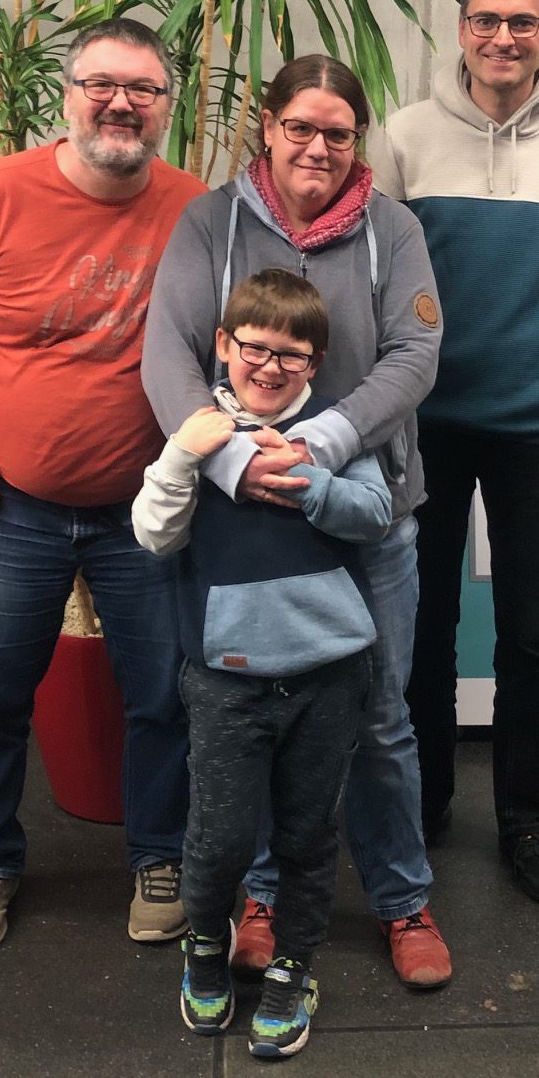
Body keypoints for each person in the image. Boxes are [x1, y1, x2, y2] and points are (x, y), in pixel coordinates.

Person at [141, 56, 452, 992]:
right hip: (245, 522)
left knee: (384, 718)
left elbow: (416, 352)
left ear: (359, 141)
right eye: (300, 127)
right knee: (262, 718)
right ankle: (266, 899)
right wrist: (234, 463)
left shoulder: (394, 230)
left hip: (369, 516)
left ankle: (403, 900)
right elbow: (169, 358)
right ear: (268, 127)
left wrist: (320, 442)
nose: (318, 147)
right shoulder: (209, 223)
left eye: (339, 133)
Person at [0, 16, 206, 953]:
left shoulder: (195, 210)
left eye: (143, 89)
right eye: (101, 85)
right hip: (11, 511)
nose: (121, 103)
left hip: (146, 514)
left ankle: (161, 855)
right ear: (67, 96)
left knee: (164, 698)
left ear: (166, 106)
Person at [370, 0, 539, 905]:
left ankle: (526, 818)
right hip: (426, 422)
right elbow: (383, 283)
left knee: (532, 632)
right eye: (486, 19)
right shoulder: (405, 136)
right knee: (425, 623)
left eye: (523, 21)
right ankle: (426, 802)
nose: (503, 37)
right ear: (463, 27)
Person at [133, 269, 391, 1059]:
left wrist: (305, 475)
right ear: (224, 344)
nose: (271, 367)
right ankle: (206, 949)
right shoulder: (199, 432)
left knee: (308, 838)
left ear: (315, 362)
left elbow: (375, 513)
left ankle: (292, 968)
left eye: (292, 354)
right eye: (255, 348)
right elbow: (154, 533)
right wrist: (185, 455)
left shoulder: (331, 430)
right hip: (226, 681)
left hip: (329, 677)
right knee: (218, 839)